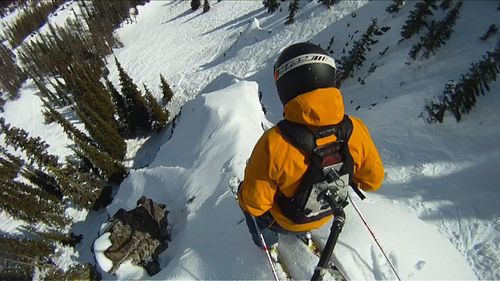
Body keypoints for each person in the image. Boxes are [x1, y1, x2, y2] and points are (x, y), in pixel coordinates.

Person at [238, 42, 384, 250]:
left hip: (287, 221)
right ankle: (304, 232)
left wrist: (243, 192)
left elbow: (255, 204)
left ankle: (266, 242)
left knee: (246, 201)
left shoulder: (274, 142)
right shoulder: (355, 129)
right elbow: (372, 181)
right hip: (327, 214)